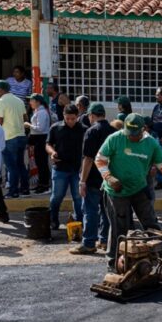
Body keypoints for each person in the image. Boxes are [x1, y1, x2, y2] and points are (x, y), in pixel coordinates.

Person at [95, 113, 162, 267]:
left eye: (135, 134)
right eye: (129, 134)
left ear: (144, 129)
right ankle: (113, 261)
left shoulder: (151, 143)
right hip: (116, 192)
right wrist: (109, 177)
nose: (131, 137)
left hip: (138, 188)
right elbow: (100, 159)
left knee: (151, 223)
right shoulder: (114, 139)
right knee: (119, 227)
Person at [70, 103, 116, 254]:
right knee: (106, 211)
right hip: (108, 178)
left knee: (90, 211)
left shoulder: (91, 131)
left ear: (91, 116)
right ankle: (104, 241)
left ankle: (89, 243)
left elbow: (88, 159)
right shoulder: (114, 132)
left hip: (93, 179)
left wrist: (82, 181)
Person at [46, 104, 85, 230]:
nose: (70, 121)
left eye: (73, 119)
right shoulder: (56, 128)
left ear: (77, 117)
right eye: (67, 118)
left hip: (77, 169)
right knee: (56, 196)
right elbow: (48, 144)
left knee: (78, 198)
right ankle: (53, 220)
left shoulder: (84, 130)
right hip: (60, 168)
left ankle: (79, 222)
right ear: (63, 116)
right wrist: (52, 152)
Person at [0, 79, 29, 198]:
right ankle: (25, 190)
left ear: (1, 90)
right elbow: (25, 118)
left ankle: (13, 191)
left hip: (9, 137)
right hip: (21, 136)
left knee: (11, 167)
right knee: (20, 165)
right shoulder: (19, 100)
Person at [25, 93, 52, 194]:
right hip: (38, 140)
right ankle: (41, 184)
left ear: (37, 102)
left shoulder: (41, 113)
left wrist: (29, 125)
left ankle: (45, 186)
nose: (30, 102)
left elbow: (40, 128)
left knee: (42, 163)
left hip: (41, 139)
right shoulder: (38, 111)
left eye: (32, 100)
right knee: (39, 163)